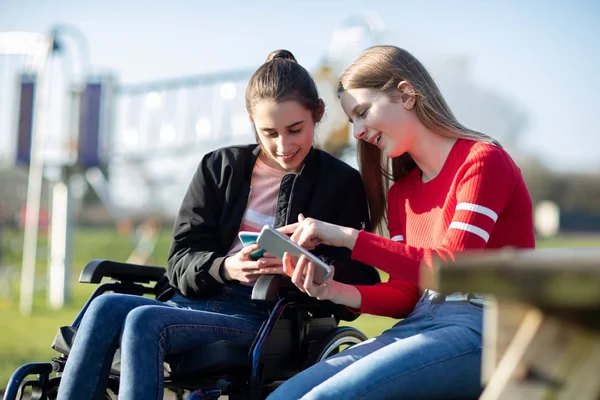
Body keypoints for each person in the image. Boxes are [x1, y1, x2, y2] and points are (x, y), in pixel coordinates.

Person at [56, 49, 380, 400]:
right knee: (105, 305)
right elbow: (179, 261)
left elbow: (362, 282)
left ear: (317, 114)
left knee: (143, 320)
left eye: (294, 130)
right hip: (189, 301)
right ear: (252, 123)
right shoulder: (218, 167)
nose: (282, 146)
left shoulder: (341, 183)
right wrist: (225, 267)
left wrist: (299, 269)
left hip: (264, 317)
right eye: (268, 132)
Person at [267, 45, 535, 400]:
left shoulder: (482, 160)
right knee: (285, 395)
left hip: (486, 328)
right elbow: (407, 295)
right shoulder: (402, 194)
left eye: (363, 113)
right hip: (422, 322)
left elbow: (451, 269)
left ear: (407, 95)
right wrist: (331, 289)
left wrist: (348, 237)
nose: (358, 132)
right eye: (353, 121)